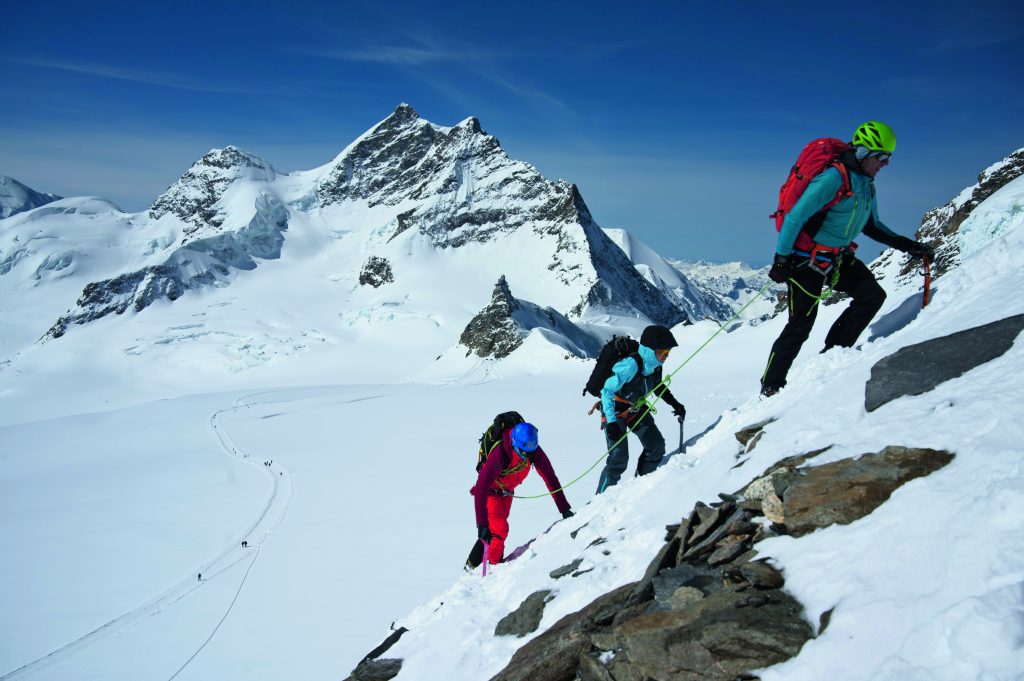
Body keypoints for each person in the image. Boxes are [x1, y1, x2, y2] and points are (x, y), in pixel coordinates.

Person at [760, 121, 935, 397]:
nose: (886, 164)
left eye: (888, 158)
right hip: (805, 260)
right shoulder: (833, 179)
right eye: (882, 157)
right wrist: (782, 260)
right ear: (865, 152)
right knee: (800, 325)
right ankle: (770, 387)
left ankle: (833, 356)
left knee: (872, 296)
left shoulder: (866, 186)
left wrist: (908, 245)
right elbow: (795, 217)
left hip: (837, 257)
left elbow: (872, 225)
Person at [467, 421, 573, 569]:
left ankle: (471, 566)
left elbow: (550, 477)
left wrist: (564, 508)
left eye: (530, 453)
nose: (528, 457)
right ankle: (494, 569)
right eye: (524, 454)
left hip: (507, 492)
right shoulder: (500, 454)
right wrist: (481, 523)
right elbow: (481, 488)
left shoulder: (532, 449)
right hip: (490, 494)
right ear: (514, 443)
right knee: (499, 530)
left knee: (492, 532)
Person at [596, 324, 686, 494]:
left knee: (656, 445)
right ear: (650, 350)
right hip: (614, 410)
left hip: (635, 407)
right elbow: (606, 391)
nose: (665, 356)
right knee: (618, 459)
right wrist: (612, 422)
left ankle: (641, 489)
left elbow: (657, 386)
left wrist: (676, 404)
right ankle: (598, 502)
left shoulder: (655, 365)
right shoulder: (630, 366)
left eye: (667, 352)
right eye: (662, 352)